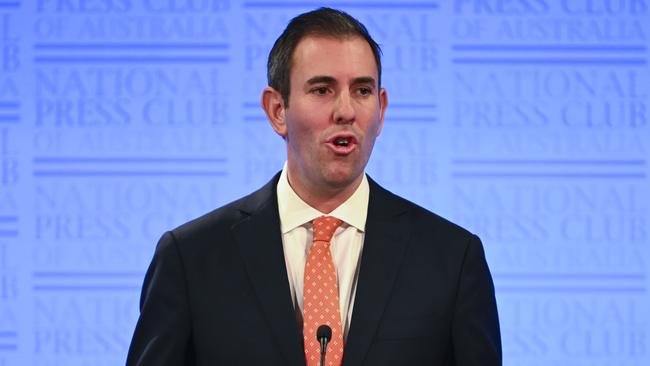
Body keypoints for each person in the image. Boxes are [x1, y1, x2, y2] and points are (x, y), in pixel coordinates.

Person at [127, 7, 501, 366]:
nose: (346, 110)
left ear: (382, 110)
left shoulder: (452, 259)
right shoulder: (192, 259)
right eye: (322, 90)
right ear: (277, 111)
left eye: (362, 90)